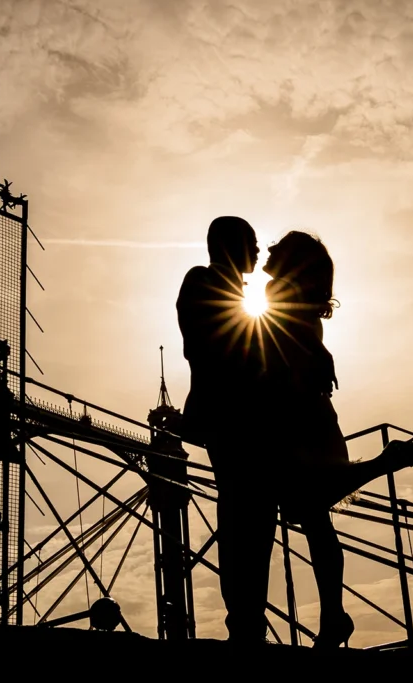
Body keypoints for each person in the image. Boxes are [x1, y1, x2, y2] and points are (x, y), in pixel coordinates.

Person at [258, 231, 413, 649]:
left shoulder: (276, 291)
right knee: (313, 512)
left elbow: (278, 349)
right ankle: (333, 615)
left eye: (277, 247)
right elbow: (304, 346)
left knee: (307, 506)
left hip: (295, 413)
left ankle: (334, 617)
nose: (268, 251)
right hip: (314, 410)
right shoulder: (301, 297)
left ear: (291, 260)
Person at [176, 215, 275, 644]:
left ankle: (249, 617)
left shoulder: (235, 295)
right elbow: (213, 350)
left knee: (255, 517)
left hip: (243, 419)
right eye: (252, 242)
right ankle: (245, 622)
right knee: (242, 515)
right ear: (233, 245)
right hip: (231, 418)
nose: (258, 251)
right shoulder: (203, 283)